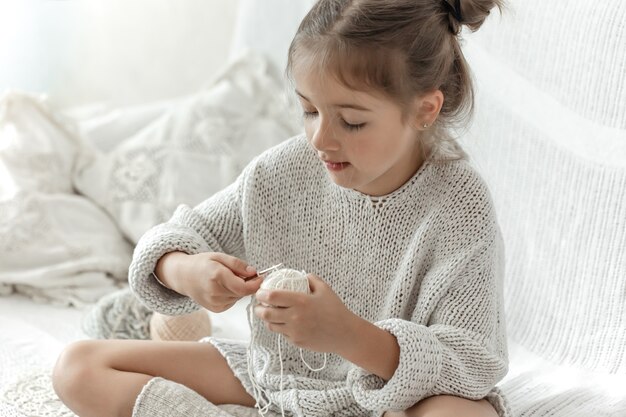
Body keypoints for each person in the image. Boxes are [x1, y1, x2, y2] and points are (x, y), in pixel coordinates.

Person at [52, 0, 510, 416]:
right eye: (310, 111)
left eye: (351, 121)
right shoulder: (285, 170)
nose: (320, 139)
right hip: (275, 380)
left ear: (425, 109)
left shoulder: (459, 206)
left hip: (392, 397)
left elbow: (470, 362)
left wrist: (349, 336)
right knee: (78, 367)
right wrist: (186, 271)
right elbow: (174, 238)